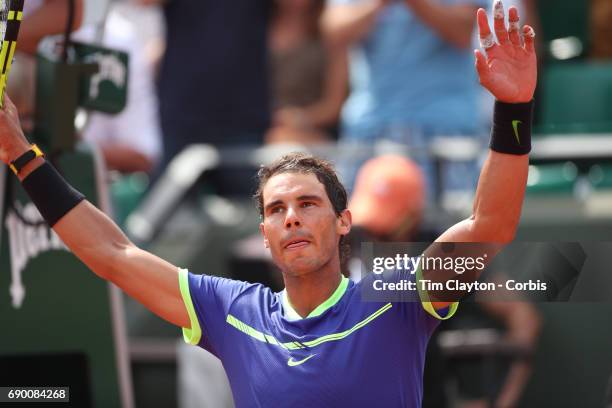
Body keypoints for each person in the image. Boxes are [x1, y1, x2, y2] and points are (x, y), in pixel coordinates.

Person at [0, 4, 536, 407]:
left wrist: (512, 108)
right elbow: (111, 253)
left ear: (343, 221)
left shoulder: (395, 296)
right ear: (263, 233)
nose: (292, 217)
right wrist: (22, 155)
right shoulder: (230, 311)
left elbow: (491, 224)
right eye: (277, 210)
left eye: (308, 203)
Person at [322, 0, 488, 197]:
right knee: (357, 224)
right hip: (371, 129)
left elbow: (462, 31)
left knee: (451, 225)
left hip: (445, 130)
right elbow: (334, 31)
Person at [267, 0, 348, 145]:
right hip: (258, 135)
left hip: (315, 136)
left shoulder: (332, 31)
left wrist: (298, 118)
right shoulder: (255, 31)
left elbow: (335, 104)